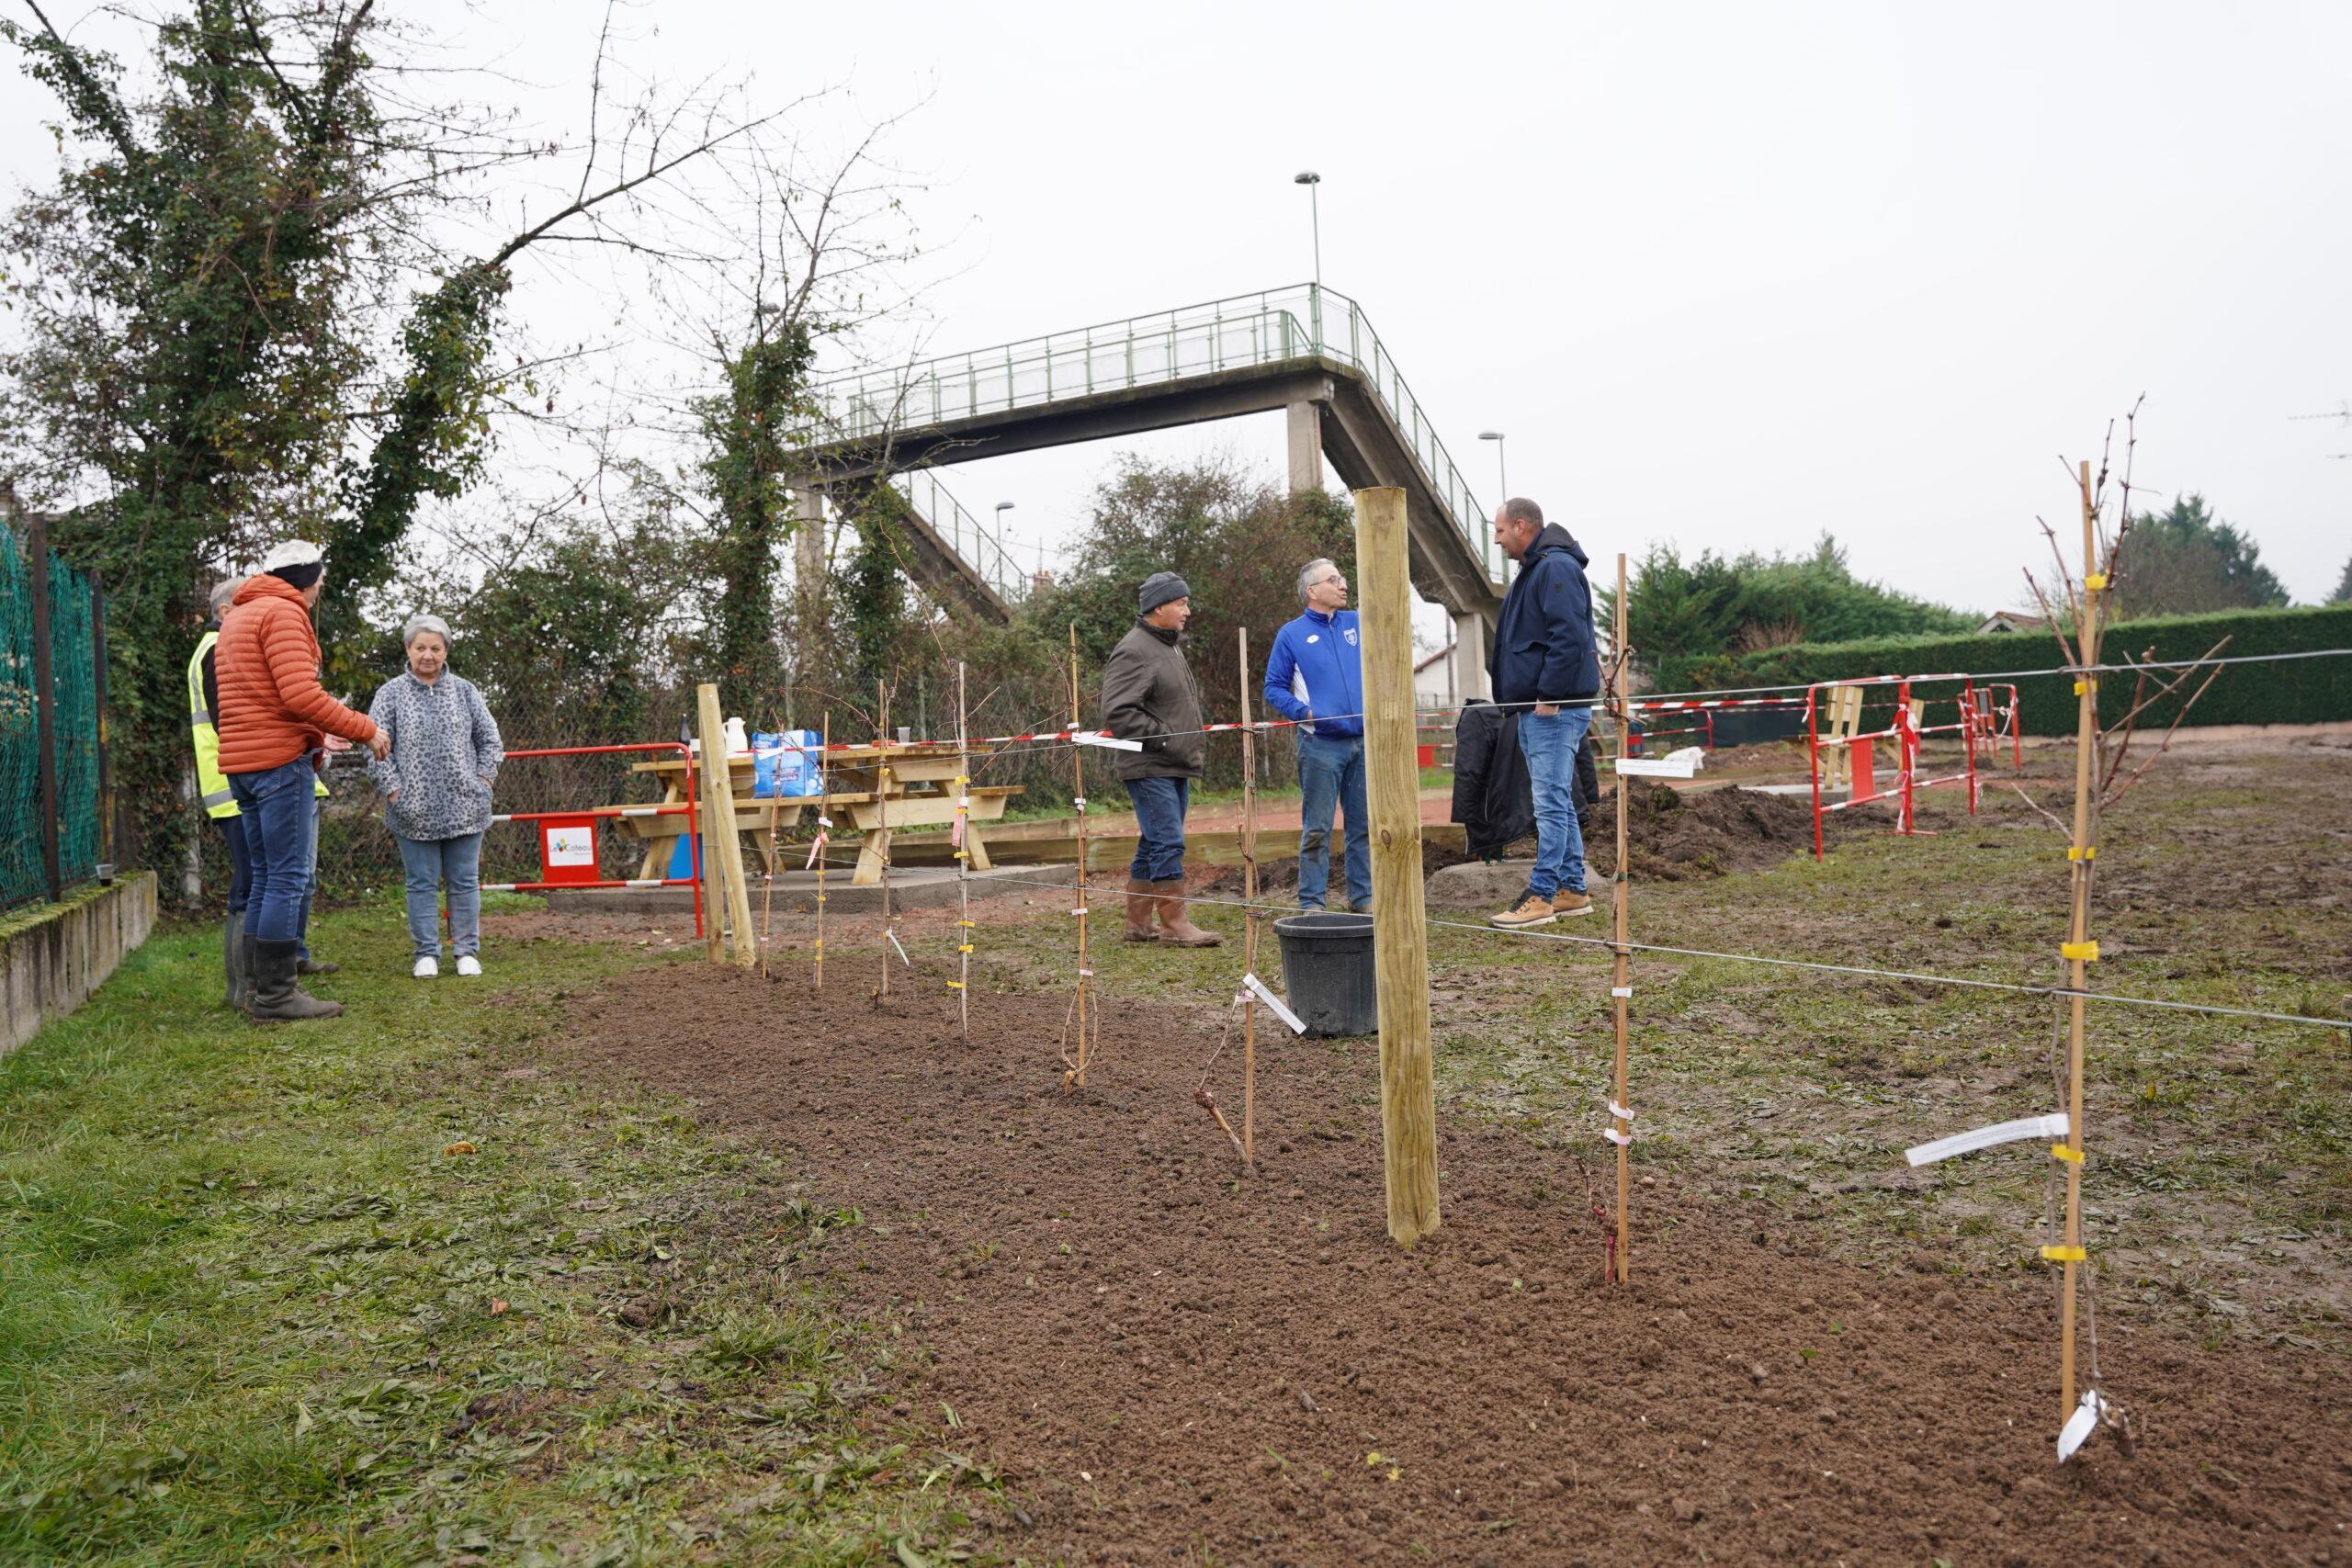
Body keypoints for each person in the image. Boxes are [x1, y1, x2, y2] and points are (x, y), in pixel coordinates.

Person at [214, 541, 390, 1021]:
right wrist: (366, 728)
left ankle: (257, 989)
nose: (318, 592)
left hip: (244, 763)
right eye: (320, 583)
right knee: (287, 877)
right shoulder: (284, 612)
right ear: (308, 580)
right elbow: (299, 695)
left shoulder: (240, 615)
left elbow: (264, 695)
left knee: (266, 875)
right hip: (277, 762)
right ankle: (276, 996)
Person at [1485, 497, 1600, 929]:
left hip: (1553, 709)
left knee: (1549, 804)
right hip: (1538, 708)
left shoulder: (1554, 568)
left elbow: (1569, 636)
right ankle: (1573, 888)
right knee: (1558, 800)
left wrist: (1550, 695)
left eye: (1499, 531)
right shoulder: (1537, 568)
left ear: (1521, 526)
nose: (1497, 540)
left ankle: (1541, 894)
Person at [368, 614, 504, 977]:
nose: (428, 655)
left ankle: (466, 951)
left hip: (466, 807)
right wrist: (394, 791)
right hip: (412, 811)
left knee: (464, 881)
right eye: (420, 648)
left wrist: (483, 782)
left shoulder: (465, 691)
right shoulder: (390, 694)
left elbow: (490, 741)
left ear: (446, 651)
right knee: (421, 884)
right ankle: (426, 953)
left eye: (436, 648)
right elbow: (375, 747)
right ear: (408, 649)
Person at [1101, 570, 1221, 947]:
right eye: (1181, 603)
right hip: (1150, 763)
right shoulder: (1135, 649)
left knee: (1154, 841)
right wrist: (1166, 738)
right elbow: (1118, 712)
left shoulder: (1167, 645)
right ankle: (1174, 924)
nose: (1187, 610)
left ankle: (1138, 923)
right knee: (1168, 841)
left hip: (1171, 762)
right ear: (1158, 607)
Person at [1262, 557, 1371, 913]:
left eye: (1342, 578)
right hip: (1320, 745)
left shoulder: (1357, 622)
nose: (1343, 585)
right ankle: (1312, 902)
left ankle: (1363, 897)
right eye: (1333, 580)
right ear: (1312, 591)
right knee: (1318, 828)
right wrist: (1308, 715)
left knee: (1362, 825)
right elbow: (1273, 687)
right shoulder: (1291, 634)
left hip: (1362, 743)